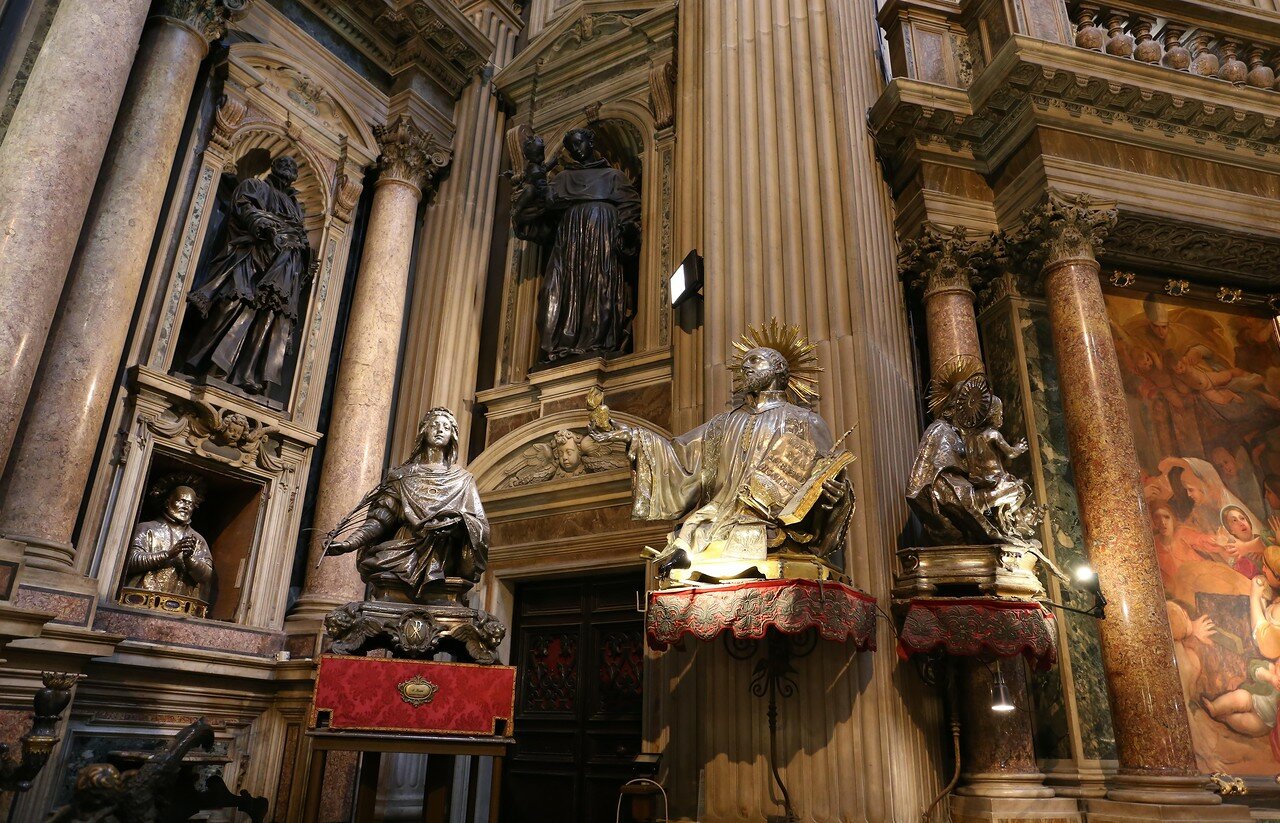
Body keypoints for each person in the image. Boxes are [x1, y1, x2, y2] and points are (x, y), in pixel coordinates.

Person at [591, 339, 853, 583]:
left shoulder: (806, 422)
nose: (745, 367)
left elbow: (826, 479)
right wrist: (631, 436)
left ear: (778, 369)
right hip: (719, 520)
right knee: (694, 531)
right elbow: (677, 454)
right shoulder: (722, 425)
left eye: (754, 361)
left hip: (773, 528)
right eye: (744, 363)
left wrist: (834, 498)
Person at [325, 408, 489, 602]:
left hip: (442, 554)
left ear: (452, 435)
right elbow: (381, 518)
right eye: (434, 425)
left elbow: (479, 525)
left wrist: (457, 525)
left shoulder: (462, 479)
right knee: (383, 561)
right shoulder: (401, 476)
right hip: (404, 548)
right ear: (423, 431)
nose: (440, 430)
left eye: (446, 427)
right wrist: (349, 543)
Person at [184, 155, 310, 395]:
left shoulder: (297, 207)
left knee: (270, 318)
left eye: (292, 166)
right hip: (252, 256)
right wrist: (262, 223)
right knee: (233, 305)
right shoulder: (254, 186)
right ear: (273, 167)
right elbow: (243, 207)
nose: (288, 168)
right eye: (284, 163)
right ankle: (211, 369)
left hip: (285, 264)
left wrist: (305, 255)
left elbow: (302, 237)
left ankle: (248, 376)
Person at [513, 127, 641, 362]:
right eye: (571, 147)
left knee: (598, 289)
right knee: (556, 290)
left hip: (601, 243)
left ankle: (596, 341)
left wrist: (627, 232)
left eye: (579, 143)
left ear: (591, 142)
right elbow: (544, 210)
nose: (576, 150)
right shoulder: (562, 179)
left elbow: (630, 209)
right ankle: (562, 345)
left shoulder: (614, 177)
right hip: (569, 246)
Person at [122, 480, 215, 609]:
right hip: (141, 602)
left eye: (190, 504)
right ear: (167, 502)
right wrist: (168, 554)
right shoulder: (147, 529)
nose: (186, 506)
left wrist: (190, 559)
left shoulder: (198, 539)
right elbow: (129, 562)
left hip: (181, 607)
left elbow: (207, 577)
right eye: (181, 501)